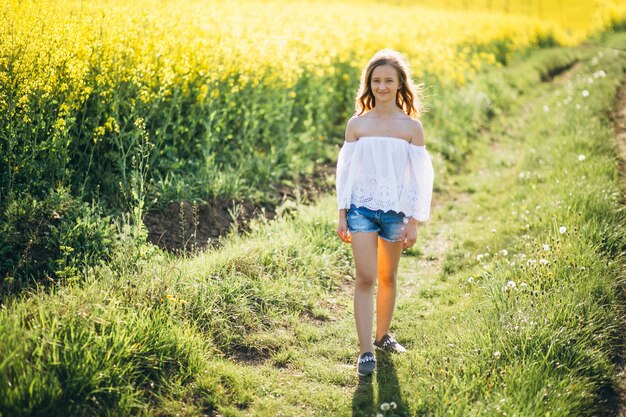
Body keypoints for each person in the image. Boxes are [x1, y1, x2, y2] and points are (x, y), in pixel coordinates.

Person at [335, 49, 434, 377]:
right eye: (376, 80)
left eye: (388, 80)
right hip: (361, 209)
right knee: (365, 278)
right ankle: (365, 352)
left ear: (399, 84)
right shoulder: (357, 124)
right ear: (368, 84)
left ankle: (382, 337)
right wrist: (342, 213)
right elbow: (345, 172)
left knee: (388, 277)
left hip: (397, 214)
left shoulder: (411, 128)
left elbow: (421, 177)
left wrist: (414, 220)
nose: (382, 86)